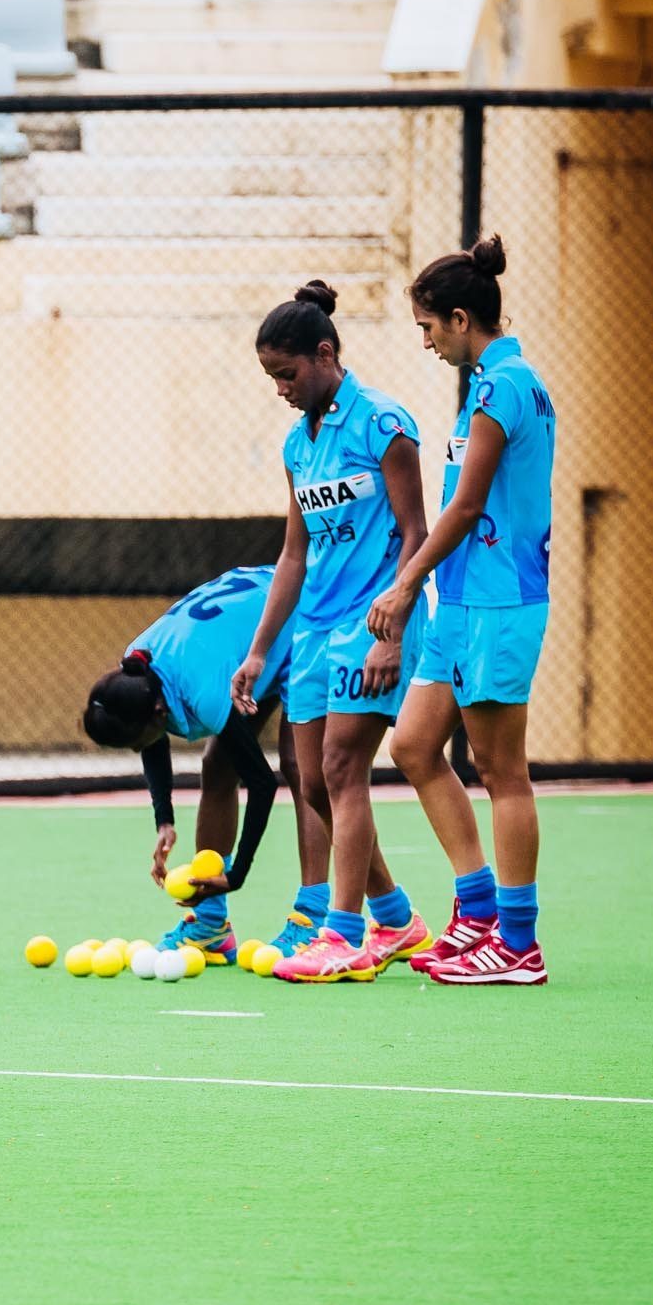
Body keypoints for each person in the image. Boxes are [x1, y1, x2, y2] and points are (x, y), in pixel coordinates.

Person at [231, 281, 432, 984]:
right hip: (314, 629)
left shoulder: (384, 425)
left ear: (324, 355)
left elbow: (417, 533)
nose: (281, 389)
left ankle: (342, 934)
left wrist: (394, 629)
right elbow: (294, 554)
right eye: (272, 378)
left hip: (370, 623)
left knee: (344, 770)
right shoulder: (298, 444)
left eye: (287, 374)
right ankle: (398, 917)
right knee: (312, 782)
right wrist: (260, 649)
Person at [369, 236, 555, 986]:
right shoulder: (492, 381)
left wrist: (407, 579)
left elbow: (469, 503)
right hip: (465, 602)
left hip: (499, 602)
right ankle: (476, 915)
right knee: (414, 745)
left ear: (459, 317)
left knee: (501, 770)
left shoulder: (505, 386)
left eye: (427, 328)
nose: (425, 342)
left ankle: (517, 943)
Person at [83, 564, 332, 962]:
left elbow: (262, 784)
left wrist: (235, 876)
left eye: (136, 741)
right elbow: (152, 740)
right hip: (244, 635)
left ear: (158, 711)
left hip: (299, 616)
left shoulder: (199, 686)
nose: (137, 750)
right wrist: (165, 820)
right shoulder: (135, 670)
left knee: (301, 766)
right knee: (218, 764)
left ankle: (313, 918)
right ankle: (211, 925)